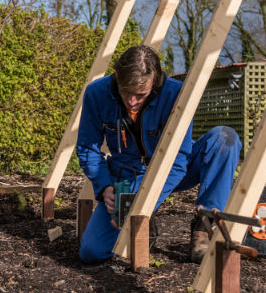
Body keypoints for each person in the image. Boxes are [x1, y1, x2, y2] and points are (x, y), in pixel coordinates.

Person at [76, 45, 242, 263]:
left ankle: (205, 223)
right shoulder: (97, 93)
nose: (132, 101)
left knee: (224, 138)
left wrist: (143, 204)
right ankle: (145, 223)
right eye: (126, 92)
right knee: (92, 252)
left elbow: (179, 160)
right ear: (117, 76)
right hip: (128, 177)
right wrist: (105, 187)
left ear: (154, 80)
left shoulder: (175, 93)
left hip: (174, 169)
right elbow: (87, 148)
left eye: (140, 94)